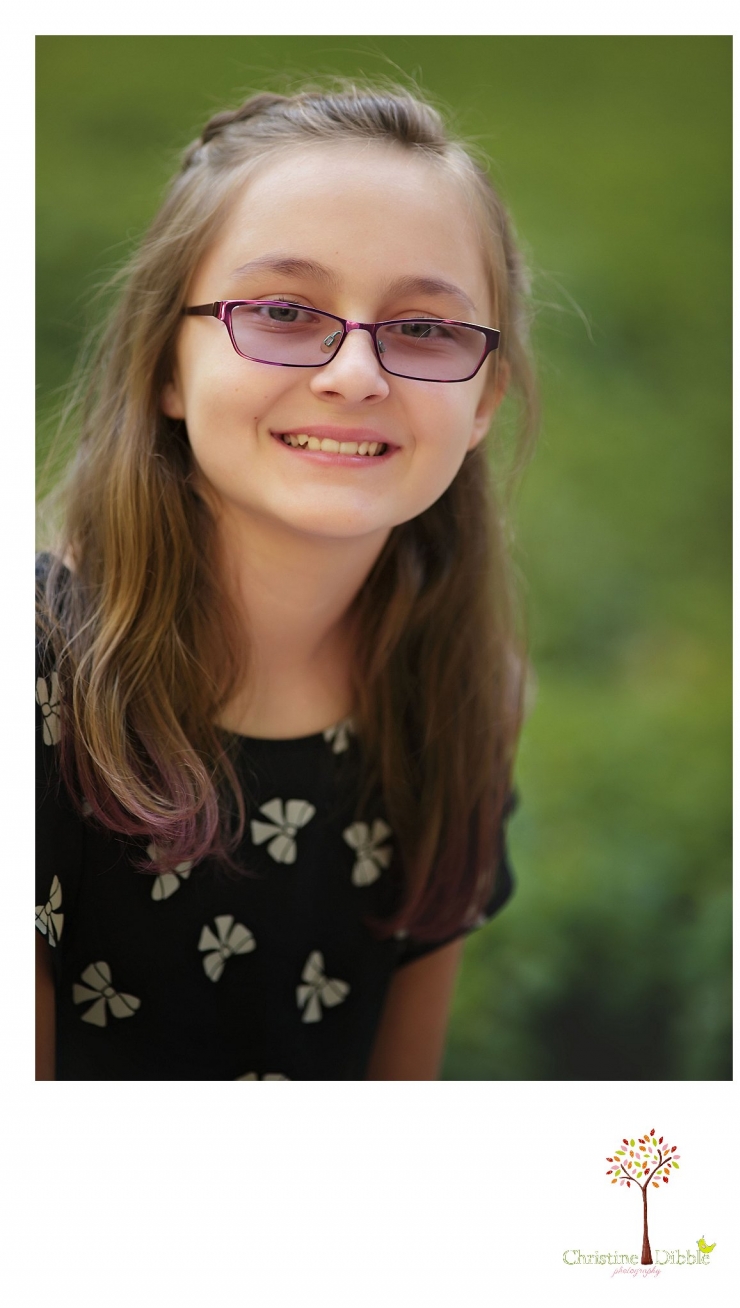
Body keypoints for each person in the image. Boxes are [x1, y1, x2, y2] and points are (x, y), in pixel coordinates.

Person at [35, 81, 538, 1081]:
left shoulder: (464, 697)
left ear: (485, 400)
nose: (355, 374)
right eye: (279, 311)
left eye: (425, 329)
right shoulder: (36, 685)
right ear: (163, 369)